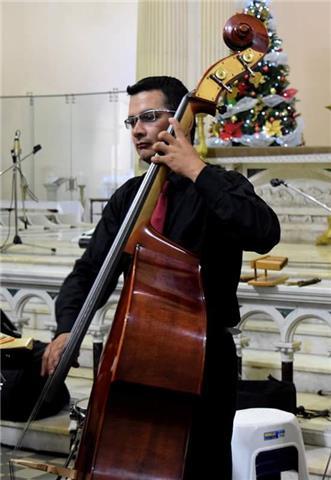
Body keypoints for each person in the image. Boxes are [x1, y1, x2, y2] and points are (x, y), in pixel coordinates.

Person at [41, 76, 280, 478]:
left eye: (149, 117)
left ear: (181, 121)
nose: (137, 130)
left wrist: (196, 171)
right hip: (137, 360)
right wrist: (68, 328)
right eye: (131, 121)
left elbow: (264, 232)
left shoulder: (219, 186)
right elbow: (90, 271)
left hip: (203, 360)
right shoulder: (128, 198)